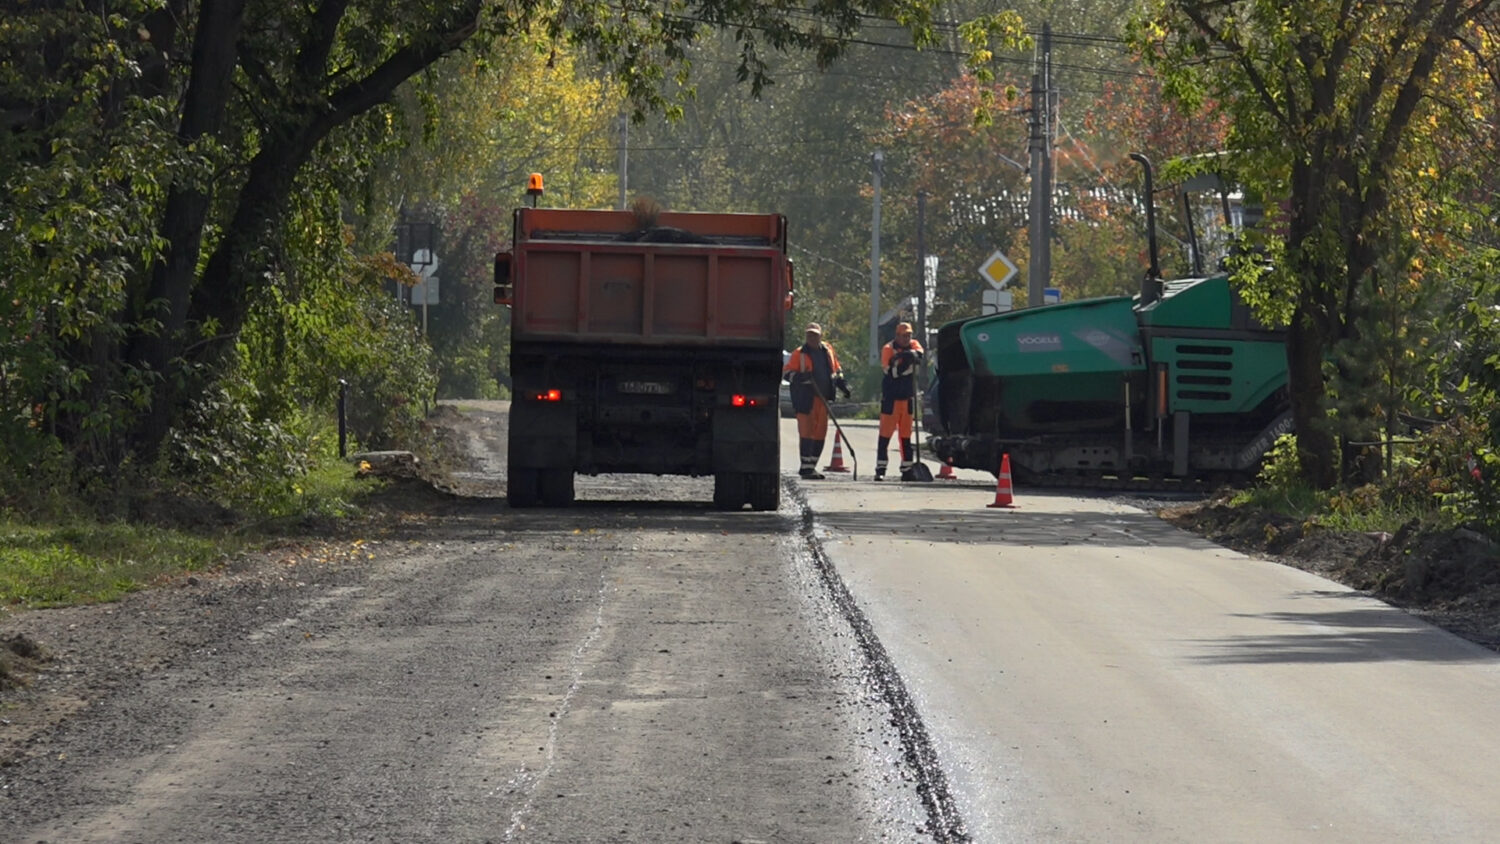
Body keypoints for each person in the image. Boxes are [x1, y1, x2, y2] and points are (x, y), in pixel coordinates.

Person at [783, 322, 850, 479]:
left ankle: (811, 466)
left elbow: (837, 370)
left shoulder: (828, 350)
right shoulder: (799, 354)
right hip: (806, 400)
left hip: (823, 399)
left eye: (814, 335)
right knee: (806, 432)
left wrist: (843, 385)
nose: (811, 337)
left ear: (820, 336)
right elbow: (787, 374)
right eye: (809, 335)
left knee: (820, 434)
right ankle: (805, 467)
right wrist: (801, 377)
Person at [876, 322, 925, 480]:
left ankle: (907, 470)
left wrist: (906, 357)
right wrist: (908, 360)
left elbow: (919, 354)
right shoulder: (888, 349)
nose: (906, 338)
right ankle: (880, 469)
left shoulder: (913, 344)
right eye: (903, 336)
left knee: (906, 437)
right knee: (885, 436)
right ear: (896, 336)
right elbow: (892, 372)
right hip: (891, 399)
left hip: (908, 398)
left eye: (908, 335)